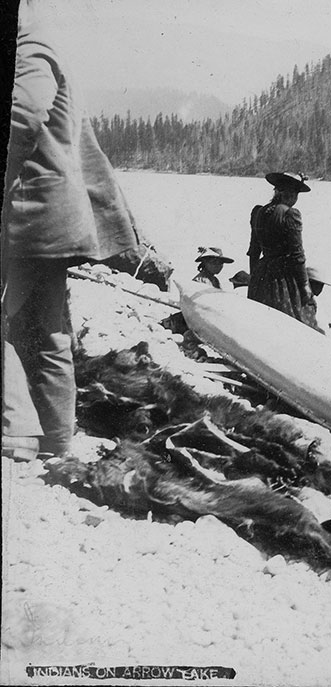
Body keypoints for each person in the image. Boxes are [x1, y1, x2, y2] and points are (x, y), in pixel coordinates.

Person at [2, 3, 139, 461]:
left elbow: (20, 116)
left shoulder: (28, 47)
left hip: (31, 214)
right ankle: (57, 437)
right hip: (51, 219)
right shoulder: (41, 42)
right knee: (48, 325)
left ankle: (15, 432)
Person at [246, 171, 317, 329]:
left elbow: (254, 251)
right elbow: (297, 256)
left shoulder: (258, 212)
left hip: (261, 277)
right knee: (292, 322)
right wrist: (305, 287)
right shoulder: (291, 214)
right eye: (294, 193)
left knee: (262, 322)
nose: (295, 198)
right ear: (289, 194)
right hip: (282, 278)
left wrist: (254, 279)